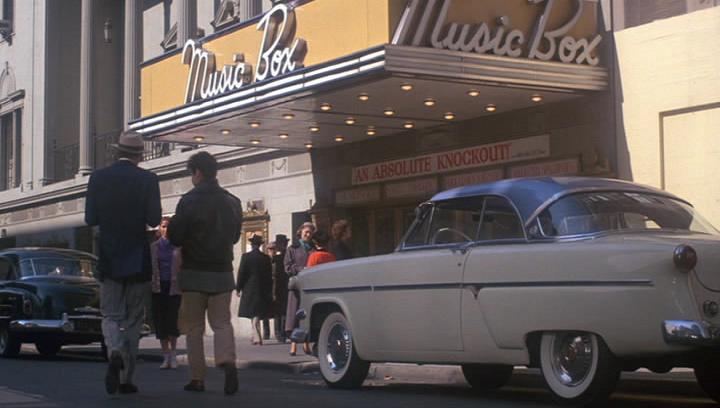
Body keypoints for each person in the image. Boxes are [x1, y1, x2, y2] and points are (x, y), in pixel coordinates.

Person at [84, 131, 162, 395]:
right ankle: (128, 379)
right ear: (140, 155)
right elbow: (154, 219)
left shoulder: (98, 178)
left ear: (117, 151)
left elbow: (90, 218)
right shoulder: (148, 179)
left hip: (109, 256)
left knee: (110, 314)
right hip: (137, 257)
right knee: (134, 319)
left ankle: (114, 349)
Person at [167, 151, 242, 395]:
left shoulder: (188, 201)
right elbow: (233, 237)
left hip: (194, 272)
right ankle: (227, 361)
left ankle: (197, 379)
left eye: (191, 173)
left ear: (197, 172)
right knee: (222, 323)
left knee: (194, 329)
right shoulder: (232, 201)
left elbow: (175, 237)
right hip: (222, 272)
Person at [150, 217, 182, 369]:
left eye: (168, 227)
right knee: (160, 322)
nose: (166, 229)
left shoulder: (177, 247)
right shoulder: (154, 247)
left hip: (174, 287)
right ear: (159, 229)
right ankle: (165, 355)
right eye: (163, 226)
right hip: (158, 287)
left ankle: (174, 354)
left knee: (172, 321)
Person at [236, 234, 273, 346]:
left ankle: (257, 337)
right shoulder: (266, 258)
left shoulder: (246, 257)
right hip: (262, 288)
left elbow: (241, 273)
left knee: (254, 313)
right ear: (260, 245)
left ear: (252, 245)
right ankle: (255, 335)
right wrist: (269, 290)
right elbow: (269, 276)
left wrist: (238, 287)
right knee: (256, 312)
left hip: (249, 288)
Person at [284, 222, 315, 356]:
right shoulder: (293, 248)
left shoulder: (313, 248)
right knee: (294, 316)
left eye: (310, 233)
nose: (308, 235)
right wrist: (301, 270)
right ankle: (293, 344)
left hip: (309, 286)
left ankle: (306, 343)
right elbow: (287, 266)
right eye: (306, 232)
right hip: (297, 286)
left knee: (306, 315)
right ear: (301, 232)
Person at [271, 234, 290, 343]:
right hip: (283, 286)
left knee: (279, 311)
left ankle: (279, 332)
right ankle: (282, 332)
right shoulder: (283, 256)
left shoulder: (276, 258)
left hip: (278, 286)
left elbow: (273, 274)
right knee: (283, 311)